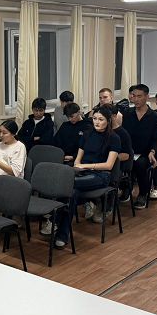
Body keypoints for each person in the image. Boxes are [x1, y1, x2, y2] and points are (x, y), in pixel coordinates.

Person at [52, 105, 121, 247]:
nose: (97, 122)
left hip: (101, 175)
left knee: (67, 184)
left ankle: (54, 220)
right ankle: (62, 234)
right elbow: (78, 158)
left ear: (108, 120)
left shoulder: (114, 138)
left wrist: (86, 166)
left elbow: (108, 165)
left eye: (101, 119)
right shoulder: (87, 134)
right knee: (72, 192)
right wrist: (78, 166)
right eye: (94, 118)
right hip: (82, 172)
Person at [121, 84, 157, 209]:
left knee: (140, 164)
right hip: (129, 151)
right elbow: (123, 135)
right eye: (134, 96)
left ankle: (143, 193)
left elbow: (156, 139)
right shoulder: (127, 113)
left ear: (147, 97)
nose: (136, 99)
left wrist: (152, 152)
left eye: (139, 96)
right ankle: (126, 188)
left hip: (145, 152)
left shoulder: (154, 116)